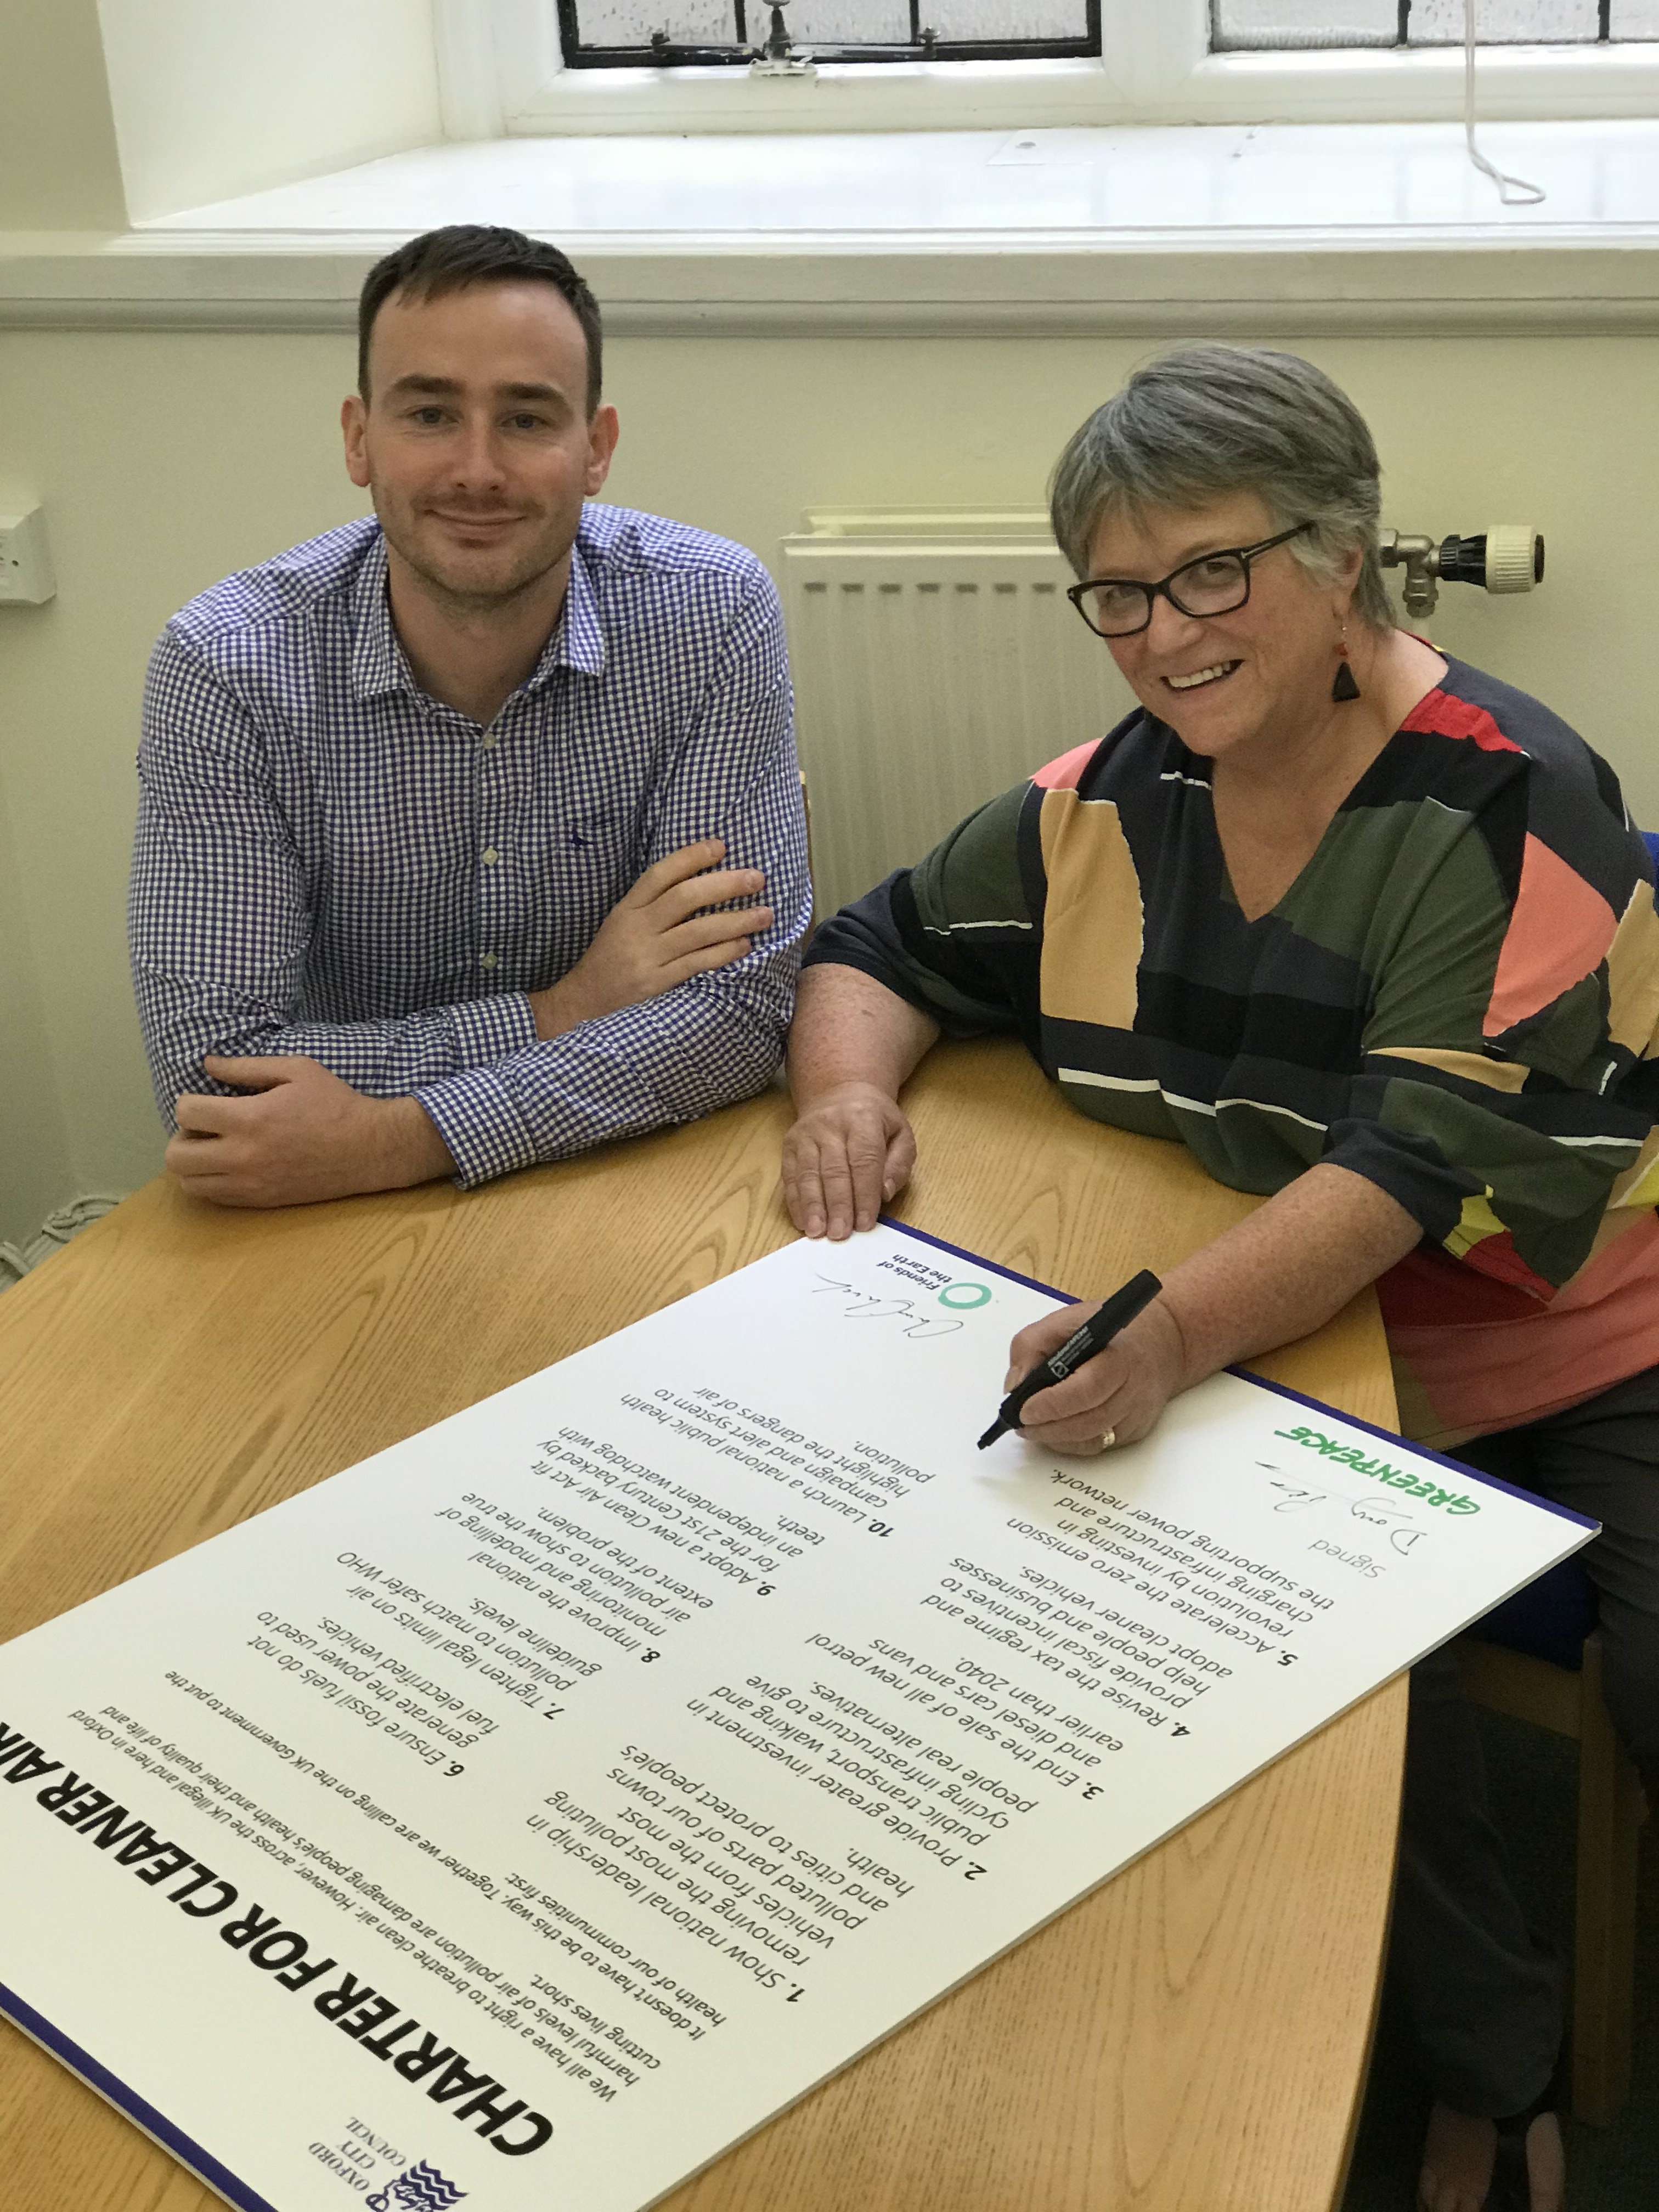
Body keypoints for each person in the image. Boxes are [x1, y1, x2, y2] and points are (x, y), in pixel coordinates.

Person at [782, 344, 1659, 2212]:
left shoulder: (1515, 801)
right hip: (1312, 1362)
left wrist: (1174, 1328)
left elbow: (1412, 1168)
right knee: (1297, 1679)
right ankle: (1490, 2080)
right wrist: (845, 1091)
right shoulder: (1105, 798)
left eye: (1208, 573)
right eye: (1115, 589)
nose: (1157, 636)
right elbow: (877, 939)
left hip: (1580, 1351)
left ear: (1342, 559)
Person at [129, 224, 810, 1206]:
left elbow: (741, 1011)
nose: (479, 470)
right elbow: (214, 1076)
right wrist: (565, 1009)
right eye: (431, 414)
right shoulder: (226, 669)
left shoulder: (710, 614)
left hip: (616, 1172)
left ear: (596, 448)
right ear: (360, 439)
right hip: (319, 1209)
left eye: (529, 420)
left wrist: (389, 1141)